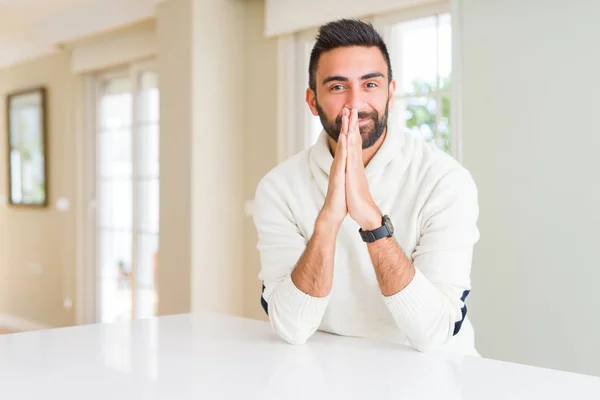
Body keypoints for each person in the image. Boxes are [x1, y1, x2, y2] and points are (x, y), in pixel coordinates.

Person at [252, 18, 480, 355]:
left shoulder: (444, 180)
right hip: (328, 372)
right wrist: (329, 219)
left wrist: (372, 222)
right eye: (337, 87)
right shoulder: (278, 188)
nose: (355, 103)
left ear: (390, 92)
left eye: (370, 84)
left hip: (435, 376)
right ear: (312, 100)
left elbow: (434, 333)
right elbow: (292, 327)